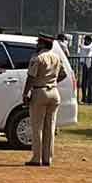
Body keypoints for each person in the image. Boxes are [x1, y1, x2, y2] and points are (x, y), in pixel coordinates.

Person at [23, 34, 68, 167]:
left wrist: (25, 93)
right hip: (54, 92)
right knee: (50, 127)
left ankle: (36, 158)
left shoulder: (38, 58)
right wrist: (52, 82)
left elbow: (31, 77)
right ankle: (47, 158)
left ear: (42, 44)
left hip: (40, 91)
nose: (37, 45)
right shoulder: (57, 57)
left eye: (39, 43)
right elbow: (63, 74)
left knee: (37, 127)